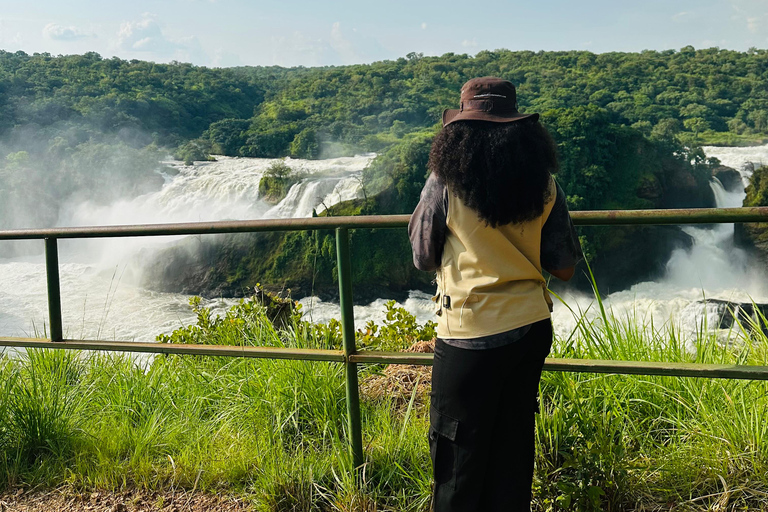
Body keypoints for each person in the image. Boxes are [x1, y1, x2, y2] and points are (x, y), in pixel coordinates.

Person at [408, 77, 583, 512]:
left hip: (470, 335)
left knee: (456, 466)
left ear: (459, 130)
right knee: (512, 454)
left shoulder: (445, 182)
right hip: (529, 330)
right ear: (521, 129)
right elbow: (563, 267)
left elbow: (422, 256)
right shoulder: (544, 186)